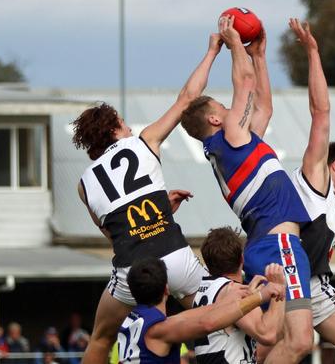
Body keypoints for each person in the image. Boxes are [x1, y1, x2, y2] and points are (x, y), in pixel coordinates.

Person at [72, 33, 225, 363]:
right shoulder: (143, 142)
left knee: (100, 338)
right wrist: (212, 51)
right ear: (114, 128)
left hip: (132, 271)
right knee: (217, 324)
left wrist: (158, 210)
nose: (129, 129)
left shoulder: (83, 185)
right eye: (123, 124)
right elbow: (187, 99)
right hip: (176, 258)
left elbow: (117, 235)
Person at [179, 16, 312, 364]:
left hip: (263, 245)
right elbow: (247, 84)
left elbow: (263, 107)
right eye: (223, 108)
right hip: (279, 245)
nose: (230, 108)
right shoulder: (228, 138)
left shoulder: (232, 147)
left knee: (272, 338)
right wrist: (236, 42)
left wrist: (260, 55)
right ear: (214, 120)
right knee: (299, 342)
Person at [254, 18, 335, 364]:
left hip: (299, 283)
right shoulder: (316, 178)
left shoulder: (316, 196)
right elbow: (320, 112)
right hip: (298, 284)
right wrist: (312, 52)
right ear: (334, 165)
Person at [116, 257, 284, 363]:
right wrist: (260, 296)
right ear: (166, 289)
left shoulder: (133, 320)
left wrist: (235, 297)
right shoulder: (158, 329)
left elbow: (190, 316)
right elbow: (207, 323)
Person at [193, 226, 286, 363]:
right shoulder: (233, 291)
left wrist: (254, 297)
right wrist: (278, 289)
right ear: (242, 259)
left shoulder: (204, 289)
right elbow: (268, 334)